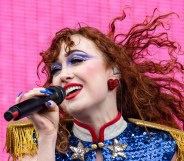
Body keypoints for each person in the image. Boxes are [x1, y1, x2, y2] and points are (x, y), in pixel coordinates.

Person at [5, 10, 184, 161]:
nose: (63, 75)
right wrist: (46, 138)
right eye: (56, 70)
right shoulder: (34, 143)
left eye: (76, 60)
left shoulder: (162, 146)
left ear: (114, 70)